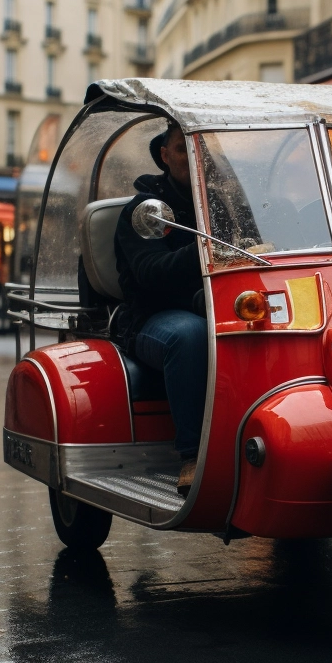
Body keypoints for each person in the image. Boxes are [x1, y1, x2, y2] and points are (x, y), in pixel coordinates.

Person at [114, 123, 206, 495]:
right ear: (165, 156)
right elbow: (150, 274)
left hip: (217, 306)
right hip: (150, 317)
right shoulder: (146, 209)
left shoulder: (219, 202)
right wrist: (205, 252)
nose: (191, 156)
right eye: (182, 149)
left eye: (198, 148)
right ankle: (194, 454)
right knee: (190, 335)